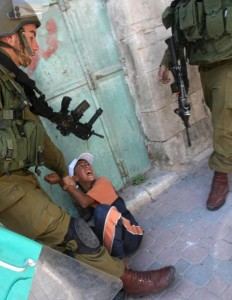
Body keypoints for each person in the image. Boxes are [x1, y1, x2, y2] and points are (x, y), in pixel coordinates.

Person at [0, 0, 176, 297]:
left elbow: (36, 135)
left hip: (19, 182)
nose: (35, 46)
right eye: (30, 36)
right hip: (6, 187)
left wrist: (63, 171)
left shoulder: (11, 81)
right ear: (9, 37)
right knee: (72, 233)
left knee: (52, 246)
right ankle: (128, 281)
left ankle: (96, 288)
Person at [158, 0, 232, 211]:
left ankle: (221, 175)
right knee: (225, 119)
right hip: (206, 71)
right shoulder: (182, 3)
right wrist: (166, 63)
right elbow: (178, 38)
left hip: (228, 66)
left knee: (222, 126)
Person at [45, 152, 144, 259]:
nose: (87, 166)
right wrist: (61, 181)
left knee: (102, 211)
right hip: (115, 240)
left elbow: (84, 202)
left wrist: (63, 182)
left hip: (132, 236)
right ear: (75, 178)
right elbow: (79, 199)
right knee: (77, 232)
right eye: (81, 166)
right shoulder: (85, 194)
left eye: (88, 164)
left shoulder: (102, 182)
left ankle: (120, 262)